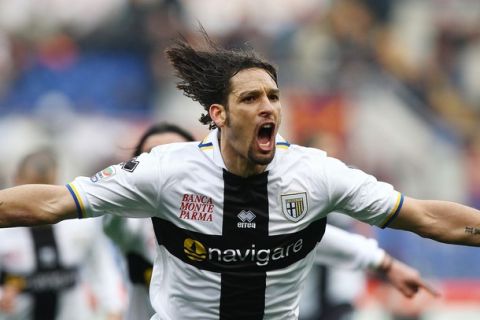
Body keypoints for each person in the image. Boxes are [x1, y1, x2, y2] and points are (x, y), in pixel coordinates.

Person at [1, 30, 480, 319]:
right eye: (251, 98)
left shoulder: (314, 174)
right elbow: (55, 202)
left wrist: (383, 262)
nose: (267, 106)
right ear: (220, 114)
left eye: (273, 96)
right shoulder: (167, 171)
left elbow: (421, 216)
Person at [104, 122, 435, 320]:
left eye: (175, 155)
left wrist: (383, 262)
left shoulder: (226, 211)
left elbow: (311, 238)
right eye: (152, 159)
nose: (165, 170)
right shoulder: (134, 225)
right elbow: (107, 223)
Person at [0, 149, 125, 320]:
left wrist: (114, 308)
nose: (37, 201)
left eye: (45, 189)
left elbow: (102, 266)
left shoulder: (82, 224)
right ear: (17, 182)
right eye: (31, 190)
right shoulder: (3, 230)